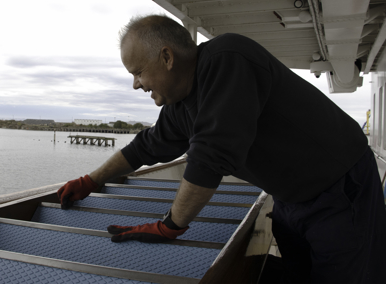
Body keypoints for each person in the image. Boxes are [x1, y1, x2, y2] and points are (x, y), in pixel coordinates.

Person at [58, 15, 386, 283]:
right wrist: (92, 180)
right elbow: (144, 148)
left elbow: (211, 155)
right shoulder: (179, 106)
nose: (136, 84)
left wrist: (169, 226)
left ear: (167, 57)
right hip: (290, 196)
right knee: (299, 274)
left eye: (138, 72)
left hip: (340, 188)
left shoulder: (228, 59)